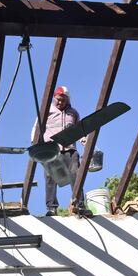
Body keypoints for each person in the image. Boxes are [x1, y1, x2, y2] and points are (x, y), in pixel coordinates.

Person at [31, 85, 85, 216]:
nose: (60, 102)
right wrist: (34, 142)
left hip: (70, 149)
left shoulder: (73, 113)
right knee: (50, 177)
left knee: (75, 174)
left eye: (63, 100)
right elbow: (36, 127)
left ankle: (80, 204)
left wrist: (83, 138)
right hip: (51, 149)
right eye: (58, 100)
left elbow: (80, 128)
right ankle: (51, 207)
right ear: (54, 98)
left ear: (68, 100)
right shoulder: (46, 110)